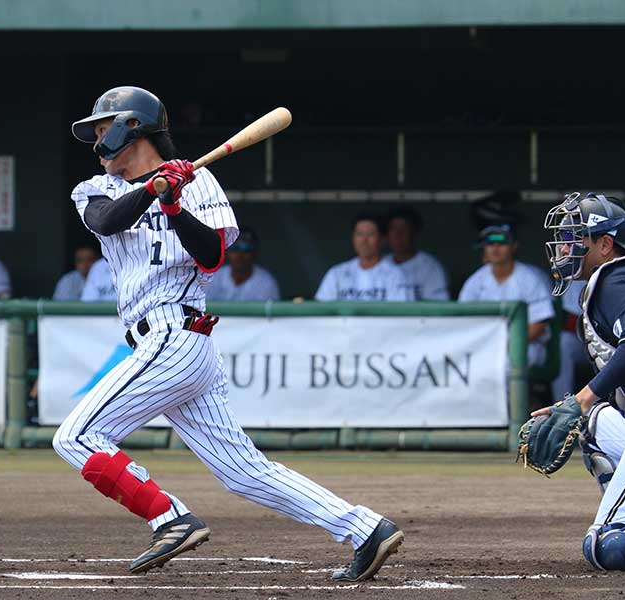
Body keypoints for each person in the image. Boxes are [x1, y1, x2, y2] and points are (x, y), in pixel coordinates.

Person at [52, 85, 403, 581]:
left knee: (76, 436)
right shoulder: (95, 189)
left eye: (104, 128)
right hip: (163, 345)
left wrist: (175, 207)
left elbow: (212, 255)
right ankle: (366, 528)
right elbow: (107, 222)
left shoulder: (199, 184)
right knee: (243, 472)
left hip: (176, 337)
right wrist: (153, 190)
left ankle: (168, 517)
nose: (96, 141)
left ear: (134, 127)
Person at [537, 191, 625, 572]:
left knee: (604, 545)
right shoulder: (614, 279)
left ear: (605, 244)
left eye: (576, 238)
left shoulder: (616, 276)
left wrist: (582, 397)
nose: (564, 247)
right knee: (594, 424)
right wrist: (581, 406)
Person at [458, 224, 554, 367]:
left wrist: (507, 344)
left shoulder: (530, 278)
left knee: (504, 365)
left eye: (502, 242)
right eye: (490, 243)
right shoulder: (475, 281)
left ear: (514, 246)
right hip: (485, 345)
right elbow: (463, 320)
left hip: (525, 345)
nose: (495, 247)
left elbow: (539, 325)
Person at [315, 212, 415, 302]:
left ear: (382, 239)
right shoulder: (337, 273)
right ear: (353, 238)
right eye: (359, 234)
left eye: (370, 234)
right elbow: (320, 309)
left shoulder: (395, 274)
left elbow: (399, 315)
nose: (364, 241)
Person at [383, 206, 449, 300]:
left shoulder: (430, 267)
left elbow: (439, 306)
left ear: (414, 232)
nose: (398, 234)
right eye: (393, 229)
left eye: (404, 229)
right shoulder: (382, 264)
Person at [206, 227, 280, 301]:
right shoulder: (214, 277)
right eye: (235, 248)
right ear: (226, 251)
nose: (240, 254)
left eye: (246, 248)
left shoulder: (266, 282)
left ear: (255, 253)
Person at [551, 279, 591, 403]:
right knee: (565, 342)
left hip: (621, 343)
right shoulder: (581, 276)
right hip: (588, 342)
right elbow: (572, 321)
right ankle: (562, 405)